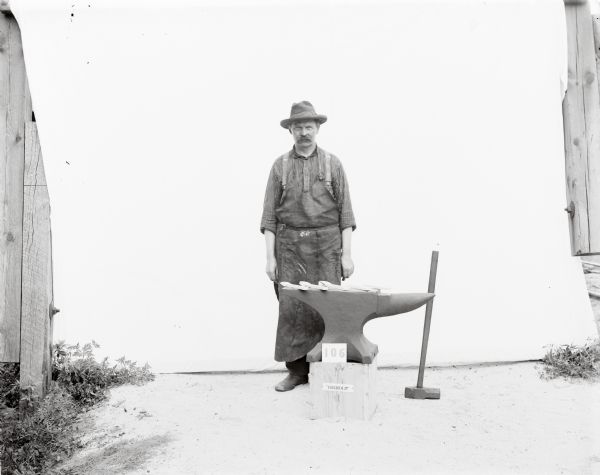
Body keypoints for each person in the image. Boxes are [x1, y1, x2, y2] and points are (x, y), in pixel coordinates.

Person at [260, 101, 357, 392]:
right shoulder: (280, 166)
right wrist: (270, 259)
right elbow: (269, 217)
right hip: (289, 248)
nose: (304, 132)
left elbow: (347, 214)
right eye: (298, 127)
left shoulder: (333, 164)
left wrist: (347, 255)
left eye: (309, 127)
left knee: (328, 310)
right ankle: (297, 372)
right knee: (293, 309)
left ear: (317, 129)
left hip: (327, 248)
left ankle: (328, 372)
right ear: (290, 130)